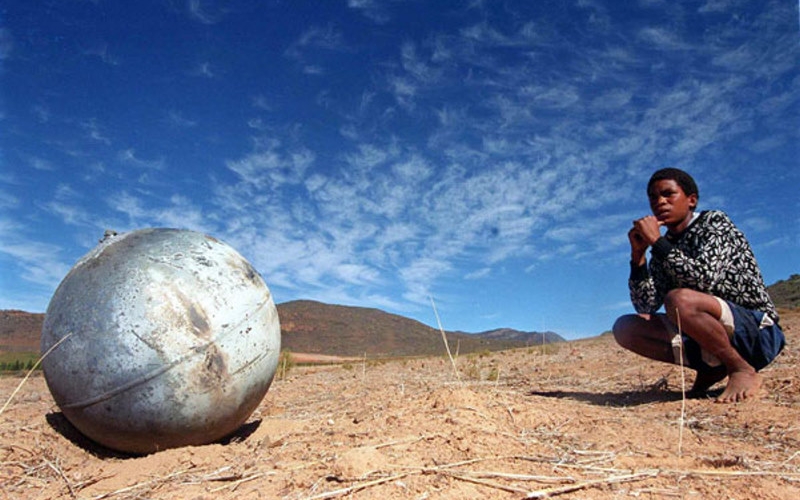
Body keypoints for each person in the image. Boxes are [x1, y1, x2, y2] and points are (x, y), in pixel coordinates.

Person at [613, 167, 785, 403]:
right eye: (653, 197)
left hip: (757, 333)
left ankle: (741, 368)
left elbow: (704, 279)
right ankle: (712, 368)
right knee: (625, 327)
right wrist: (638, 257)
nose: (659, 202)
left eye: (668, 194)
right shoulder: (664, 247)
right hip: (707, 334)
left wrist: (656, 241)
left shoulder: (715, 223)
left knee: (678, 300)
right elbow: (646, 306)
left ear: (691, 200)